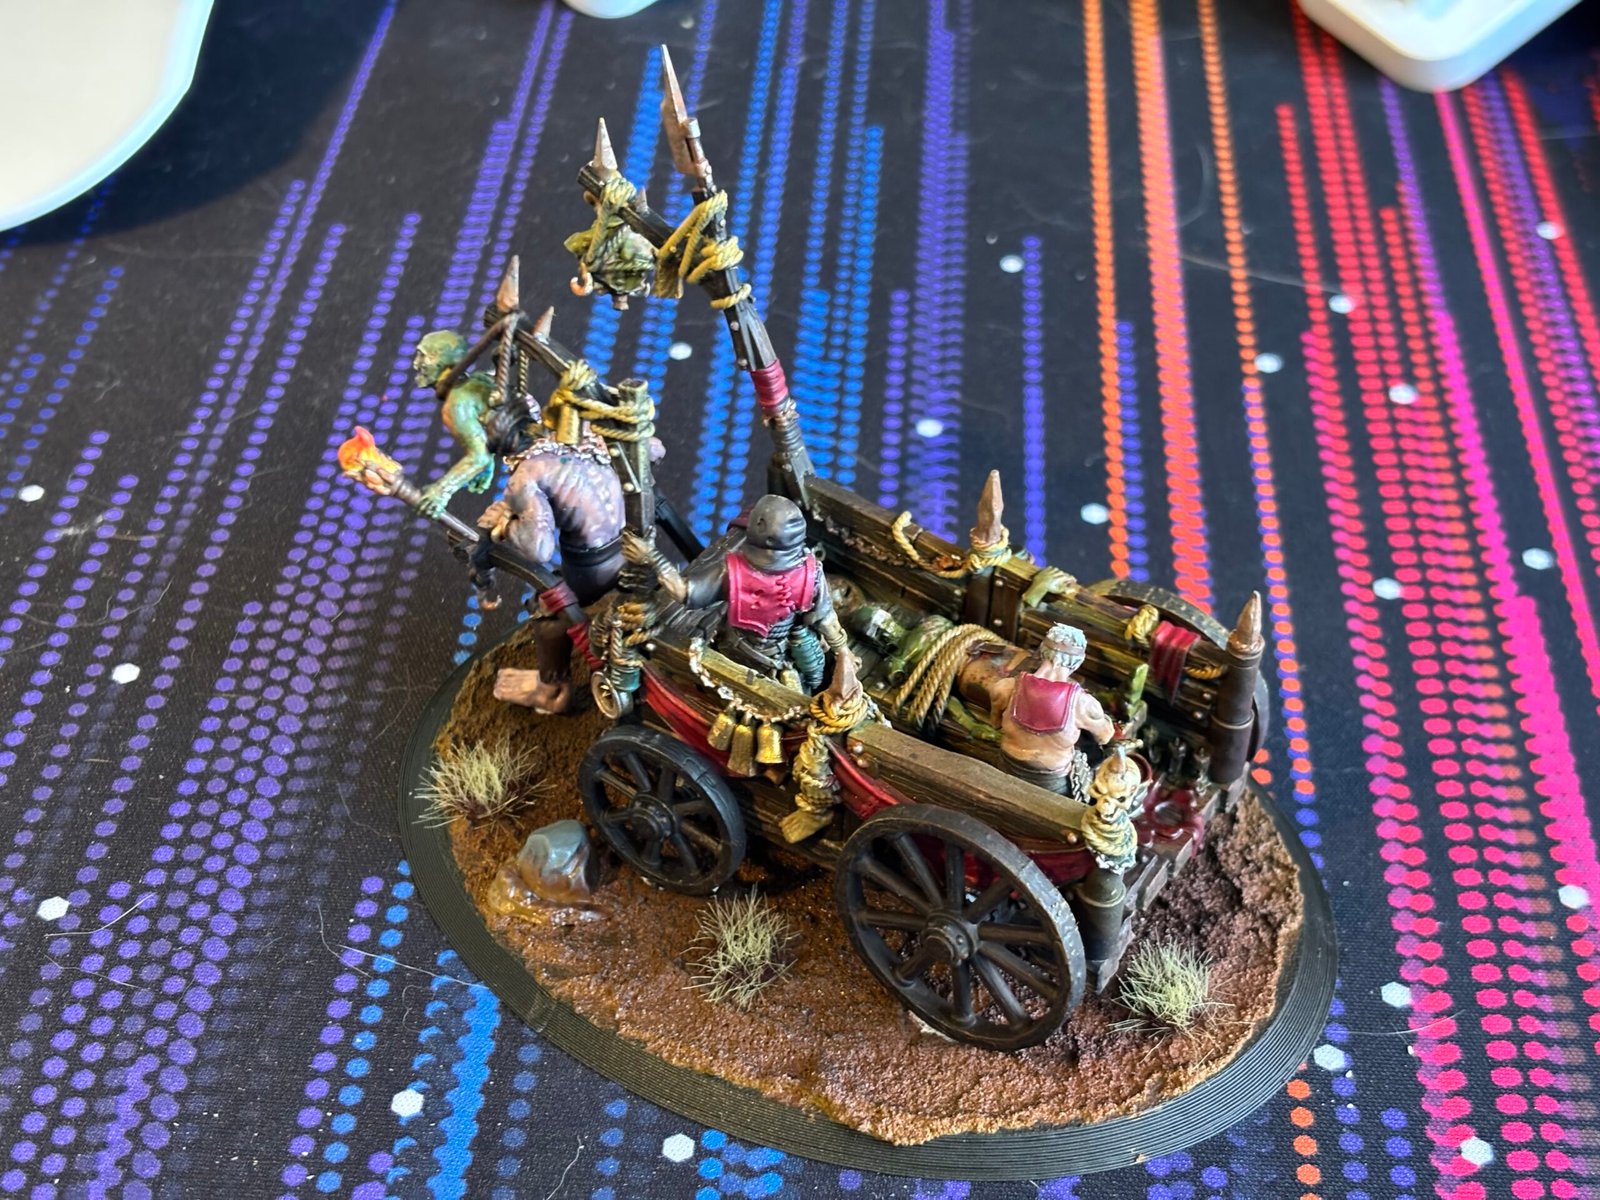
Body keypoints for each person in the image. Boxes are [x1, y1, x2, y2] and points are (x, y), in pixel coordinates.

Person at [477, 424, 658, 713]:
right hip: (634, 551)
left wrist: (506, 525)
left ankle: (552, 691)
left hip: (591, 569)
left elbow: (539, 549)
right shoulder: (594, 435)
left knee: (548, 611)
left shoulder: (527, 473)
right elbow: (655, 449)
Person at [623, 494, 846, 688]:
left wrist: (652, 557)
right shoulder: (812, 573)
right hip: (773, 651)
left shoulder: (731, 571)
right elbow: (826, 621)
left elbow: (684, 591)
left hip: (740, 649)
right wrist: (843, 652)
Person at [988, 623, 1115, 795]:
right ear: (1078, 663)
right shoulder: (1084, 704)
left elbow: (995, 724)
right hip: (1053, 784)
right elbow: (1104, 737)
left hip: (1006, 767)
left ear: (1041, 652)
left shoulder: (1004, 688)